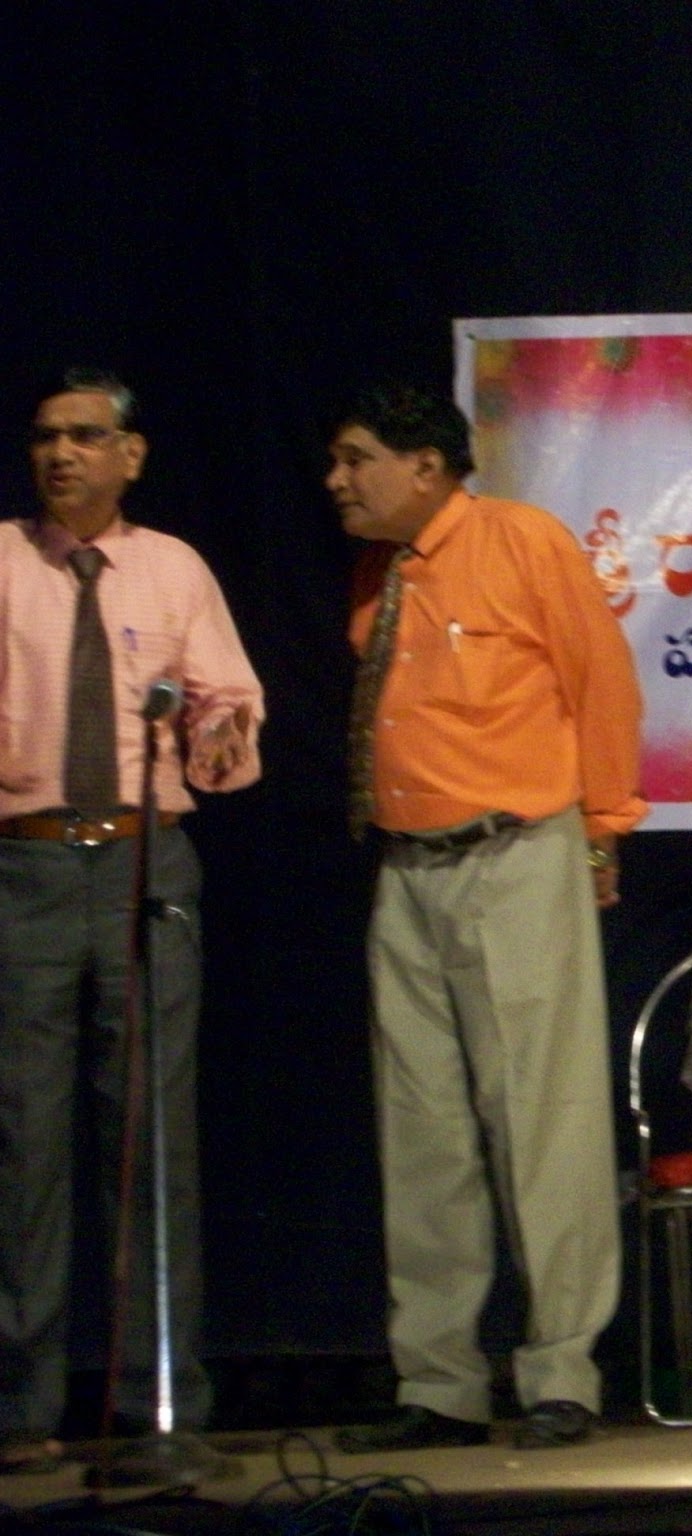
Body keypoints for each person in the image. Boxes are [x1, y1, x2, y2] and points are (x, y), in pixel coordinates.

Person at [325, 385, 646, 1453]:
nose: (336, 481)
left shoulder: (521, 541)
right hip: (406, 868)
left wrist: (603, 828)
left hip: (514, 856)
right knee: (420, 1133)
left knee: (542, 1120)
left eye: (355, 458)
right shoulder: (382, 570)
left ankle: (560, 1373)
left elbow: (602, 684)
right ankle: (440, 1383)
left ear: (425, 465)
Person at [1, 370, 263, 1474]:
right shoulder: (2, 560)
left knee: (150, 1140)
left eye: (84, 436)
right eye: (45, 438)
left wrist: (217, 735)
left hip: (144, 862)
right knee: (24, 1144)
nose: (60, 455)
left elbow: (228, 702)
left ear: (131, 455)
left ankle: (159, 1406)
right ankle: (19, 1410)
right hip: (24, 866)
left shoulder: (173, 568)